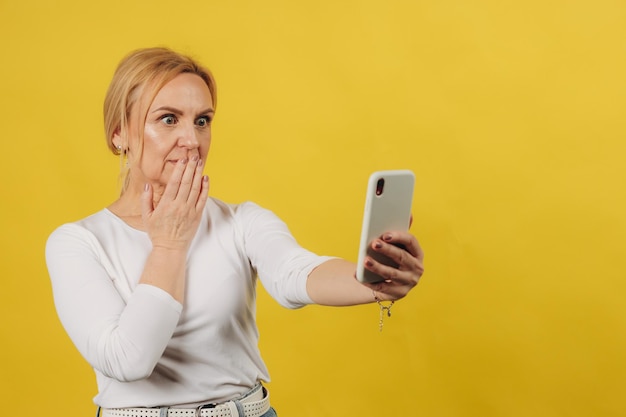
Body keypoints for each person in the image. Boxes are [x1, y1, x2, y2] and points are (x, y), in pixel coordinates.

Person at [45, 47, 425, 417]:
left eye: (202, 120)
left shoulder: (242, 221)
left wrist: (372, 280)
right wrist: (170, 244)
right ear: (119, 135)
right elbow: (128, 359)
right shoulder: (78, 243)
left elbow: (296, 272)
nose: (192, 140)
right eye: (167, 119)